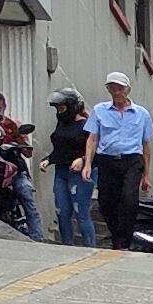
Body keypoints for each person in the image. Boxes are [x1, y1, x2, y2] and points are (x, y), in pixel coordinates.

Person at [83, 74, 153, 248]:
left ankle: (123, 241)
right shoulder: (100, 110)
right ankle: (117, 235)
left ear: (128, 90)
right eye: (113, 88)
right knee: (106, 201)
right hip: (107, 159)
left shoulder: (142, 114)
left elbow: (146, 146)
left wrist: (146, 175)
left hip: (132, 159)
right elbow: (92, 139)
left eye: (120, 88)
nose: (117, 92)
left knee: (129, 199)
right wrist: (87, 164)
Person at [46, 90, 93, 245]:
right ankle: (67, 246)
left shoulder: (86, 126)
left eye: (62, 108)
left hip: (79, 175)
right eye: (58, 109)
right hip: (61, 171)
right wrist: (49, 159)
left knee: (81, 213)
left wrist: (83, 159)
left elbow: (96, 151)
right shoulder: (61, 124)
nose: (60, 112)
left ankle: (89, 247)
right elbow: (60, 148)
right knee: (62, 212)